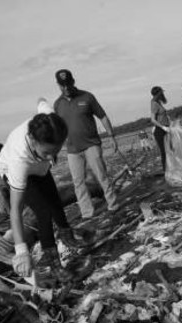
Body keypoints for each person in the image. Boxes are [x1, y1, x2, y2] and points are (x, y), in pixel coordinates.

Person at [0, 99, 84, 283]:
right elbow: (15, 210)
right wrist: (21, 250)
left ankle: (66, 236)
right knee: (43, 212)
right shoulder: (18, 162)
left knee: (55, 201)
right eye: (47, 152)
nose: (51, 156)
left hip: (39, 167)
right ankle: (53, 265)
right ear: (33, 139)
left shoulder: (51, 121)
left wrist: (48, 156)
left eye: (55, 151)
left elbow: (41, 101)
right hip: (18, 170)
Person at [53, 69, 119, 219]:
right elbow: (57, 129)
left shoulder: (87, 97)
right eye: (62, 85)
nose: (66, 88)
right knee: (78, 182)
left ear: (73, 81)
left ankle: (113, 204)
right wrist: (54, 151)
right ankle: (87, 213)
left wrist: (112, 137)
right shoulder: (58, 105)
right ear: (58, 85)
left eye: (68, 84)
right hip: (72, 150)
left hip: (91, 145)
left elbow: (103, 117)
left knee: (101, 175)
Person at [150, 86, 171, 172]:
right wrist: (163, 127)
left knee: (170, 149)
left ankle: (172, 168)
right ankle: (166, 171)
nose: (162, 93)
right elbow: (153, 120)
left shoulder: (159, 102)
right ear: (158, 93)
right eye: (161, 92)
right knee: (164, 151)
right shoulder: (154, 103)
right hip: (160, 130)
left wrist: (170, 123)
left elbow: (163, 115)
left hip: (166, 128)